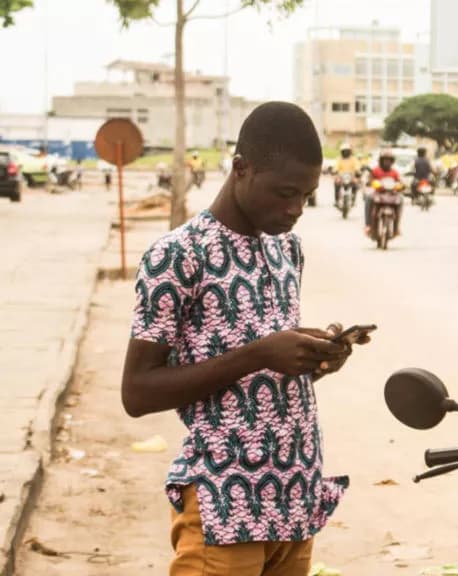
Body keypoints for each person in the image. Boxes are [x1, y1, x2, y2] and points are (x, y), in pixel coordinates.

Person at [121, 102, 369, 576]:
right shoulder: (178, 256)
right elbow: (137, 392)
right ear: (241, 169)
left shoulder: (286, 248)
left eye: (307, 196)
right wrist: (259, 354)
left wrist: (312, 359)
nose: (296, 209)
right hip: (224, 501)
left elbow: (257, 387)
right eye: (285, 193)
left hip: (295, 497)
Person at [364, 149, 403, 237]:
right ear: (381, 160)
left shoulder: (394, 172)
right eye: (385, 160)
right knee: (369, 198)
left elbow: (399, 182)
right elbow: (370, 179)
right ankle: (368, 225)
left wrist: (401, 185)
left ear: (392, 161)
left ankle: (396, 227)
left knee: (401, 199)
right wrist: (370, 182)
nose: (387, 162)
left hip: (392, 195)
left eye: (389, 160)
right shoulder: (376, 170)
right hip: (378, 194)